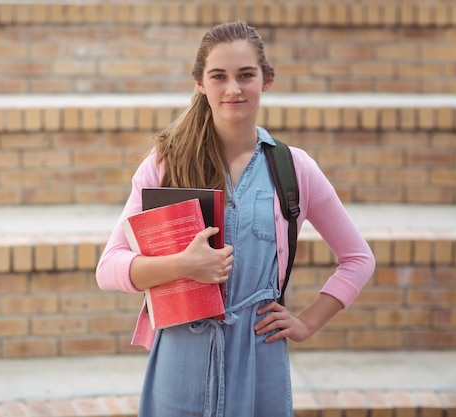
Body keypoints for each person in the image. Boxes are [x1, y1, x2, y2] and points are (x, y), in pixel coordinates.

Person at [96, 21, 375, 417]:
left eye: (246, 75)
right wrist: (184, 265)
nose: (233, 89)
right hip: (180, 357)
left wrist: (307, 322)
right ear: (200, 84)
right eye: (219, 77)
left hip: (260, 356)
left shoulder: (294, 169)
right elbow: (108, 269)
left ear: (267, 80)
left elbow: (358, 258)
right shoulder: (165, 165)